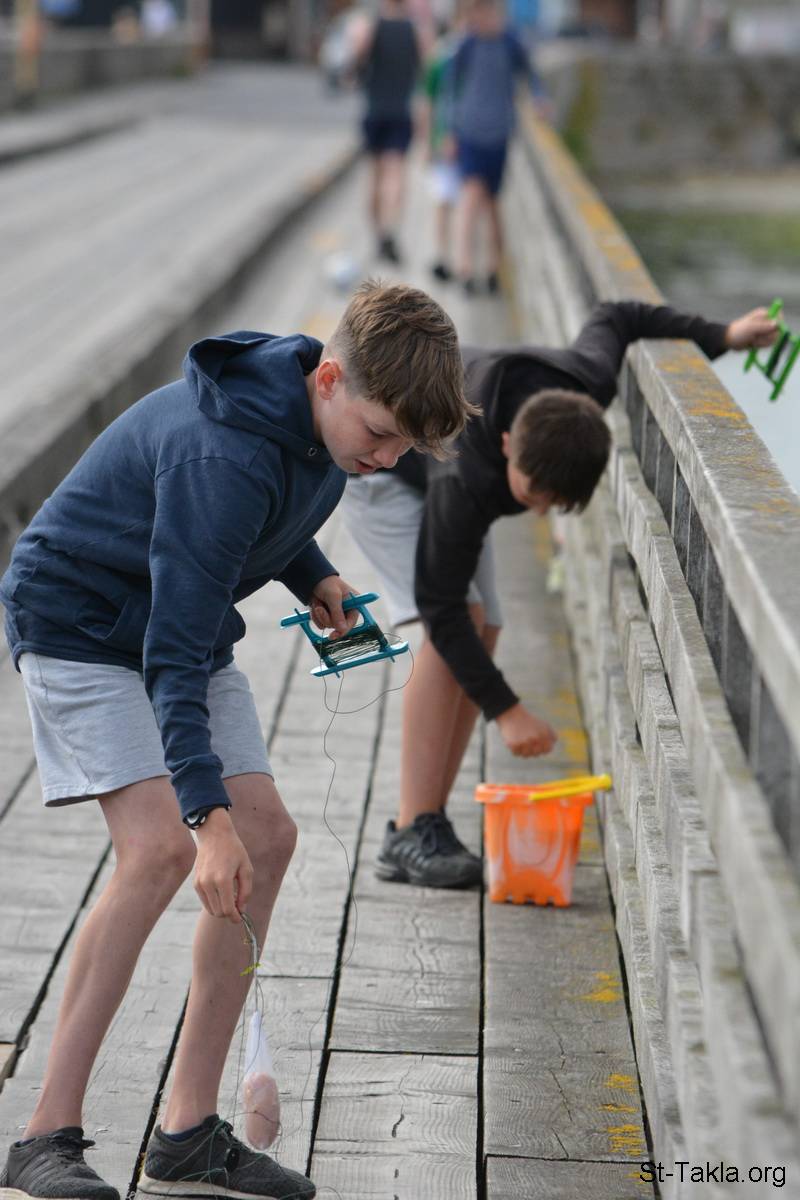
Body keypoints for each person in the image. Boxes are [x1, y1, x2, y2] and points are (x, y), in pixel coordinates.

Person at [0, 282, 468, 1200]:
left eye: (404, 449)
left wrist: (314, 573)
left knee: (270, 839)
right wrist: (205, 817)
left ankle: (186, 1133)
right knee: (160, 852)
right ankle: (42, 1133)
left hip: (175, 618)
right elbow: (175, 649)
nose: (385, 459)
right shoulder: (222, 455)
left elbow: (272, 509)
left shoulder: (322, 424)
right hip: (80, 620)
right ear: (328, 379)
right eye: (381, 435)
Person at [340, 300, 779, 889]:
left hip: (446, 474)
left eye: (557, 504)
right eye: (532, 496)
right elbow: (440, 607)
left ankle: (429, 821)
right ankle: (410, 829)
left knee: (487, 624)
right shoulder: (467, 472)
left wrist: (723, 333)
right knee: (457, 620)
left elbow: (618, 316)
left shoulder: (585, 387)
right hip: (381, 478)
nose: (541, 511)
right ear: (506, 444)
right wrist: (507, 710)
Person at [447, 0, 546, 294]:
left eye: (487, 11)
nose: (482, 17)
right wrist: (450, 131)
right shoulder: (466, 45)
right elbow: (451, 89)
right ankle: (465, 269)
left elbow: (532, 75)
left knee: (492, 204)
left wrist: (539, 98)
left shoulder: (511, 43)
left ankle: (493, 269)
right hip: (470, 132)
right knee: (469, 197)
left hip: (499, 134)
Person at [353, 0, 424, 265]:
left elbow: (357, 61)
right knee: (396, 175)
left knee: (374, 177)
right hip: (401, 111)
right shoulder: (414, 29)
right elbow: (423, 70)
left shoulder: (371, 25)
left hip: (374, 110)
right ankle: (390, 230)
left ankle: (378, 235)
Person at [420, 21, 463, 282]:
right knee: (456, 202)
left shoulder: (440, 57)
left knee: (444, 201)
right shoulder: (454, 56)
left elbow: (427, 103)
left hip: (446, 139)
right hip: (462, 141)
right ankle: (456, 260)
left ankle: (444, 257)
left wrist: (427, 143)